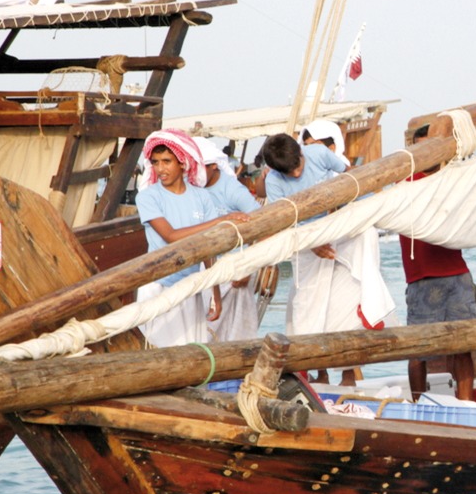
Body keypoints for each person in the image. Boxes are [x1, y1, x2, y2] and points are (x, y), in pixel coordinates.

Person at [135, 129, 250, 347]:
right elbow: (171, 236)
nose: (161, 169)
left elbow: (208, 247)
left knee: (193, 353)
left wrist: (215, 294)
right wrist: (222, 220)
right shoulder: (148, 197)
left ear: (182, 163)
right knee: (162, 356)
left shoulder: (201, 196)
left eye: (167, 161)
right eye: (156, 162)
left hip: (190, 287)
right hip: (159, 286)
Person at [261, 131, 356, 385]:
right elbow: (284, 220)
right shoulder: (274, 181)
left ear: (302, 152)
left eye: (297, 167)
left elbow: (349, 174)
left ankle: (349, 374)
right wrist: (312, 244)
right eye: (287, 172)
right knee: (309, 308)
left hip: (339, 228)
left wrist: (335, 206)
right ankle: (318, 371)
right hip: (305, 242)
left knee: (346, 302)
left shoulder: (319, 154)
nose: (294, 175)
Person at [400, 125, 476, 401]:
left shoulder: (453, 180)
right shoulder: (405, 184)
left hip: (457, 274)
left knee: (464, 345)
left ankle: (466, 406)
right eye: (423, 147)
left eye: (434, 147)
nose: (429, 154)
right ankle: (419, 404)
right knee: (418, 350)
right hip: (422, 279)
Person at [195, 136, 263, 342]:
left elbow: (264, 224)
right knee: (204, 327)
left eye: (199, 168)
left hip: (235, 269)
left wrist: (248, 268)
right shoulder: (194, 189)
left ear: (213, 166)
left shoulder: (232, 190)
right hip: (205, 266)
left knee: (234, 331)